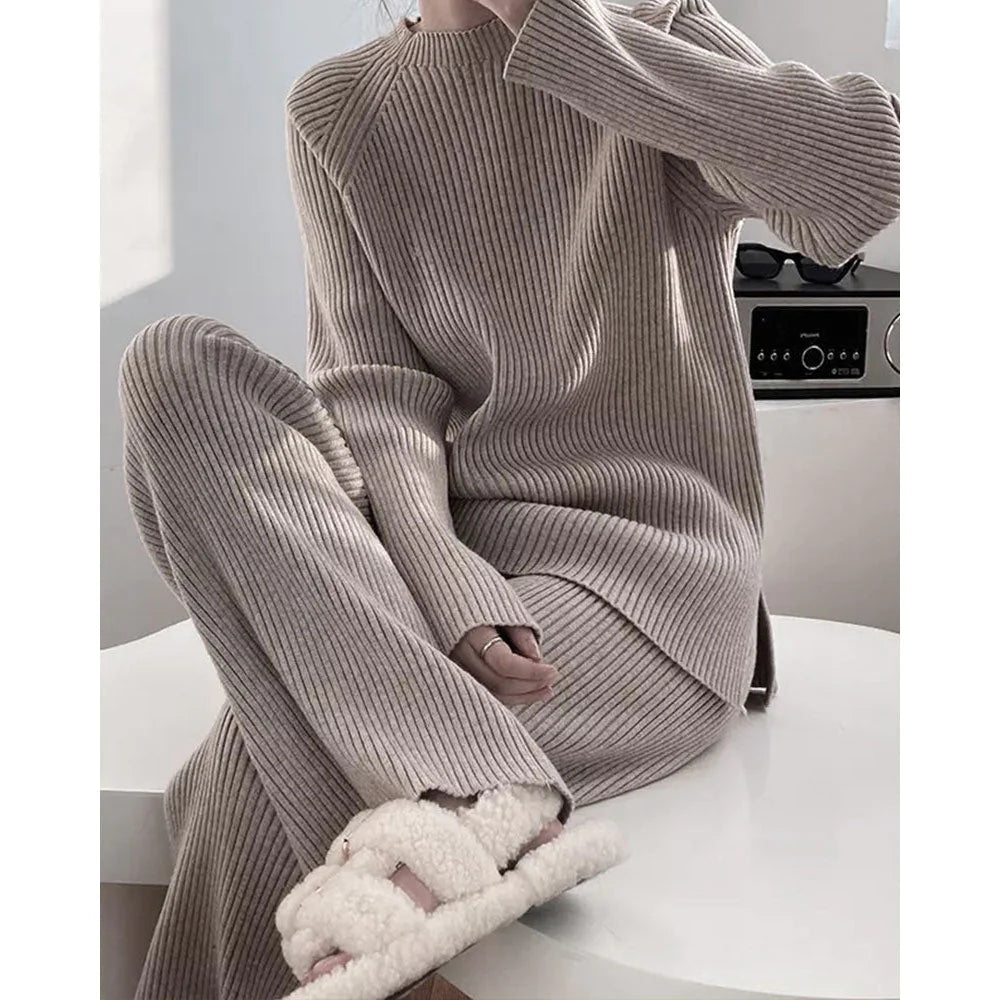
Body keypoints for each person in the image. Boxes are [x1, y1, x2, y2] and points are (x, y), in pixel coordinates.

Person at [118, 0, 900, 996]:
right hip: (442, 575)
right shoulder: (338, 107)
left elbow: (862, 174)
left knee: (247, 763)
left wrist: (557, 24)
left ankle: (461, 789)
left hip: (649, 586)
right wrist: (444, 581)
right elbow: (378, 393)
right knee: (175, 362)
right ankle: (478, 783)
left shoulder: (644, 25)